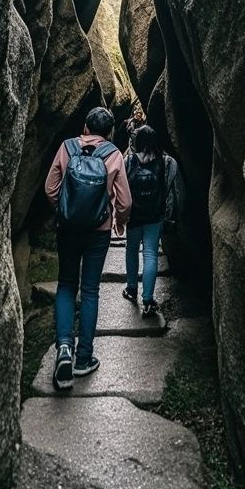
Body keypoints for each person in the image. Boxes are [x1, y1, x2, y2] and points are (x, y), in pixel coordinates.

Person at [45, 106, 131, 390]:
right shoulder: (114, 154)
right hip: (98, 232)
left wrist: (64, 210)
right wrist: (118, 220)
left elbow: (50, 188)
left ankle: (64, 350)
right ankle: (84, 358)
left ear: (84, 126)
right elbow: (125, 202)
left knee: (67, 284)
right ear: (109, 133)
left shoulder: (67, 147)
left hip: (68, 230)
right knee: (91, 289)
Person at [122, 125, 179, 317]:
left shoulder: (128, 161)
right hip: (155, 216)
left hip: (134, 216)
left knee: (131, 249)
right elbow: (172, 189)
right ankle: (148, 300)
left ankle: (131, 288)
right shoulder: (168, 162)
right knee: (150, 254)